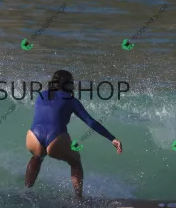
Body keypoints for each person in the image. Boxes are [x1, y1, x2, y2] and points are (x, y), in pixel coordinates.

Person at [25, 70, 122, 200]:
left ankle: (26, 192)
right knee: (75, 161)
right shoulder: (71, 100)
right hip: (56, 138)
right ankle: (78, 199)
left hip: (33, 137)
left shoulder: (41, 95)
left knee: (37, 156)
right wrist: (112, 138)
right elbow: (91, 122)